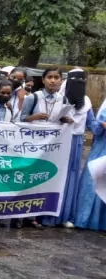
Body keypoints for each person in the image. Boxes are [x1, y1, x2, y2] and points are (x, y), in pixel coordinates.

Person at [19, 67, 73, 229]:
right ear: (43, 80)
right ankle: (18, 214)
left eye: (56, 77)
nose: (53, 81)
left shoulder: (63, 99)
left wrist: (65, 120)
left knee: (43, 178)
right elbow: (21, 119)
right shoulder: (33, 97)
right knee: (27, 178)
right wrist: (34, 117)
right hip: (32, 146)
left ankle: (33, 215)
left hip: (51, 147)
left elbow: (61, 120)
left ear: (61, 81)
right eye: (50, 77)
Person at [43, 69, 92, 228]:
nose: (78, 83)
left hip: (77, 143)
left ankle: (66, 216)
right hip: (60, 142)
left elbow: (92, 124)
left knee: (71, 177)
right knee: (56, 175)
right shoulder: (59, 99)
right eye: (74, 80)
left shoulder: (86, 102)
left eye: (81, 80)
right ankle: (48, 216)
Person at [74, 96, 106, 231]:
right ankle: (87, 218)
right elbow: (98, 128)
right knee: (95, 181)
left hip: (101, 149)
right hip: (102, 149)